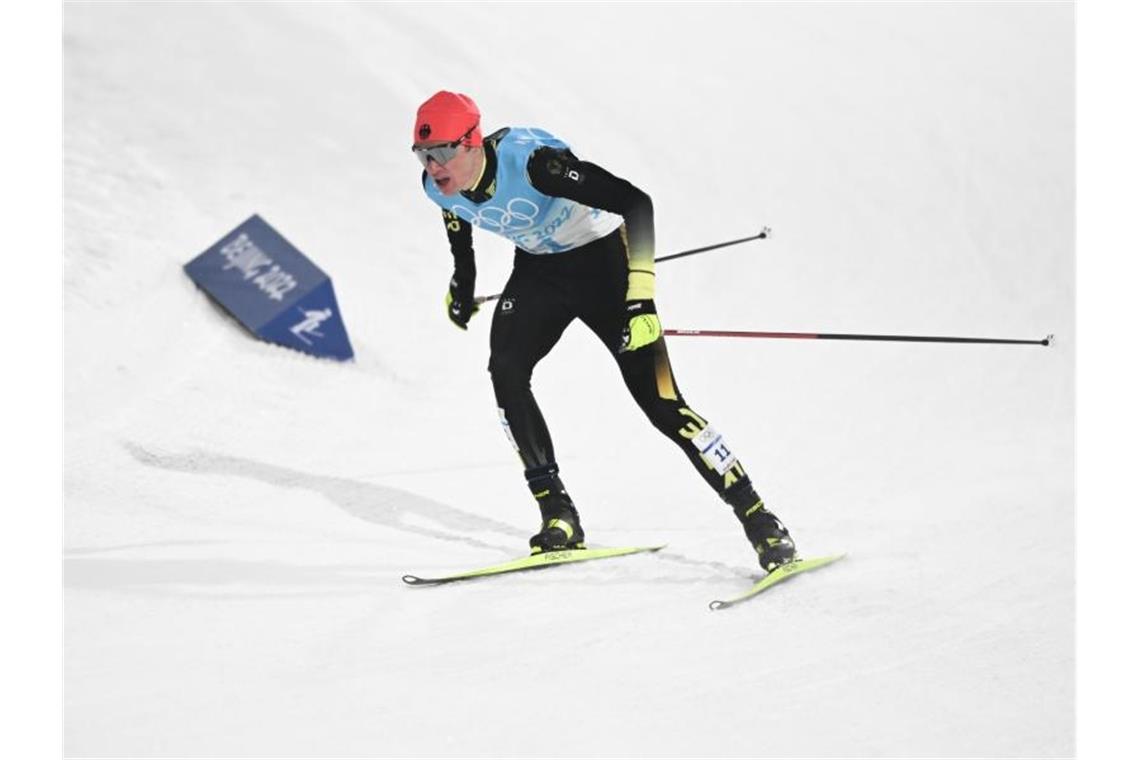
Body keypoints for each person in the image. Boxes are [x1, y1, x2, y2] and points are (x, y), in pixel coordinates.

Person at [411, 90, 797, 571]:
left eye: (444, 151)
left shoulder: (536, 166)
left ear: (472, 143)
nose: (433, 165)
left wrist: (641, 300)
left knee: (660, 403)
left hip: (604, 268)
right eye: (424, 155)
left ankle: (759, 517)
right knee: (505, 370)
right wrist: (462, 287)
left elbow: (637, 204)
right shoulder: (437, 188)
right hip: (540, 274)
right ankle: (559, 515)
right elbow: (460, 227)